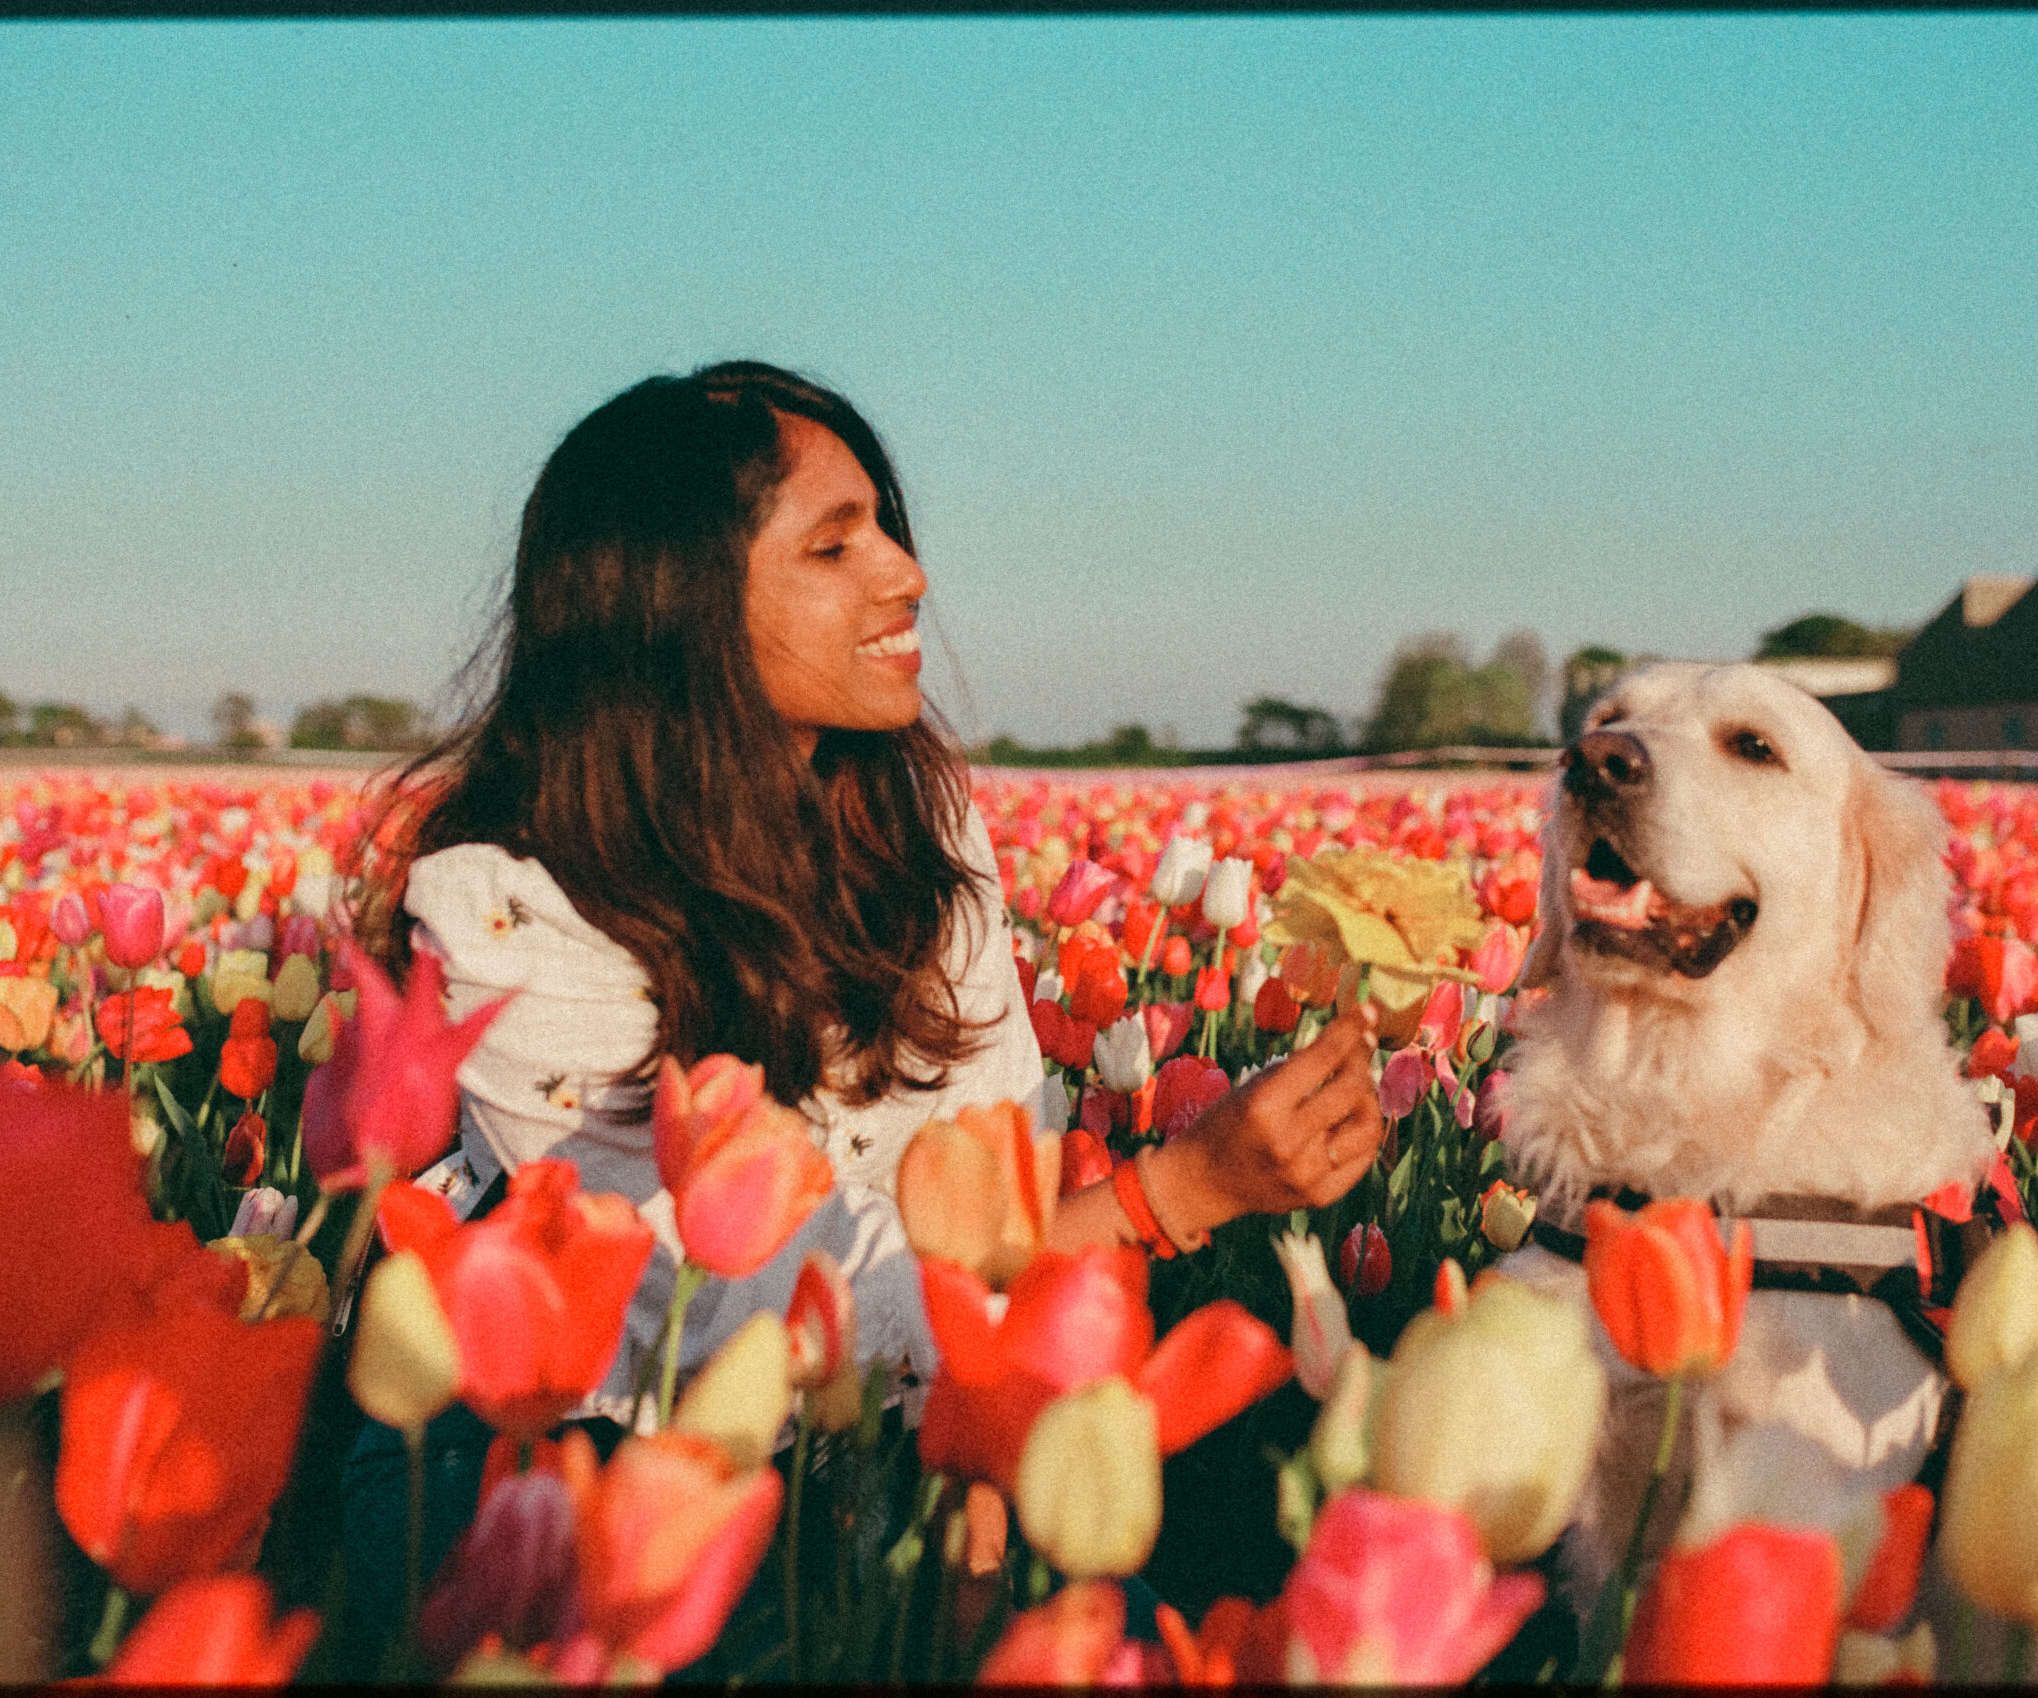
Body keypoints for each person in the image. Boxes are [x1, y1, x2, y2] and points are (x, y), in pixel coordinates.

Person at [339, 360, 1385, 1652]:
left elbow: (988, 1191)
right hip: (561, 1438)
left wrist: (983, 1449)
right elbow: (747, 1311)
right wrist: (1187, 1190)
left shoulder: (918, 822)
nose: (908, 574)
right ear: (678, 609)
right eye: (837, 545)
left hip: (879, 1428)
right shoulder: (509, 900)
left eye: (885, 525)